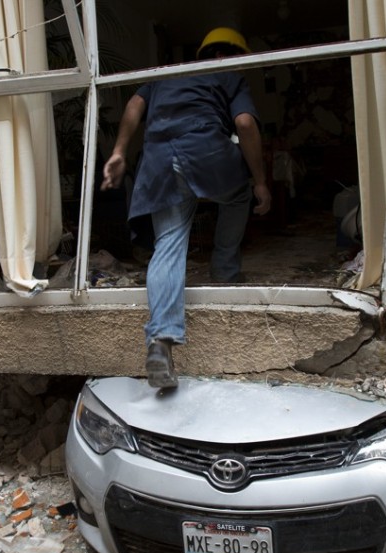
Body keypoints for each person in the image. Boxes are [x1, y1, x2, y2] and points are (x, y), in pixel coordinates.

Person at [101, 27, 272, 389]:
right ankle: (225, 271)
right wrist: (259, 181)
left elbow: (133, 104)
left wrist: (119, 151)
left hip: (160, 161)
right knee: (239, 196)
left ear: (203, 51)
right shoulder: (229, 73)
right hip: (207, 152)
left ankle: (160, 342)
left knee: (169, 243)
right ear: (235, 55)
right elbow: (244, 123)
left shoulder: (167, 73)